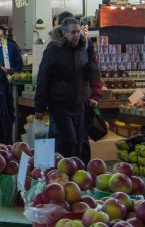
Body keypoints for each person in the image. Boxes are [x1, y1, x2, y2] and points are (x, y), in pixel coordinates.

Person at [33, 16, 102, 160]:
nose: (77, 35)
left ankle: (80, 174)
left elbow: (94, 72)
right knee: (69, 141)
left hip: (80, 104)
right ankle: (62, 173)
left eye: (78, 32)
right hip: (59, 104)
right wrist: (39, 107)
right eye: (73, 32)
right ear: (63, 33)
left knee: (81, 144)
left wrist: (95, 95)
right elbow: (43, 79)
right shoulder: (53, 50)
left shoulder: (85, 48)